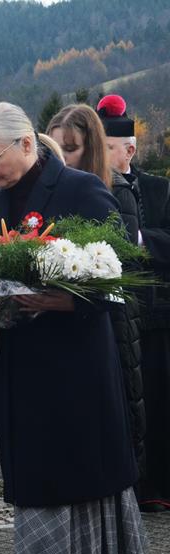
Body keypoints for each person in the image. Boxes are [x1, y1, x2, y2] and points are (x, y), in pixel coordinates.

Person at [0, 103, 148, 554]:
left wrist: (59, 300)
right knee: (52, 482)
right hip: (13, 369)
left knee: (51, 486)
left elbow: (119, 280)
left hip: (72, 373)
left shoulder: (81, 190)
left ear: (26, 144)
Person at [47, 104, 147, 478]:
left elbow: (123, 263)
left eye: (70, 149)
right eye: (54, 149)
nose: (61, 158)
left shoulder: (115, 191)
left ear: (90, 149)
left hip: (112, 321)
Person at [98, 94, 170, 513]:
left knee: (157, 400)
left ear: (128, 150)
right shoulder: (93, 189)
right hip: (116, 311)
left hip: (157, 313)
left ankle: (157, 486)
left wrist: (140, 239)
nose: (102, 154)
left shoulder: (160, 189)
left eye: (108, 147)